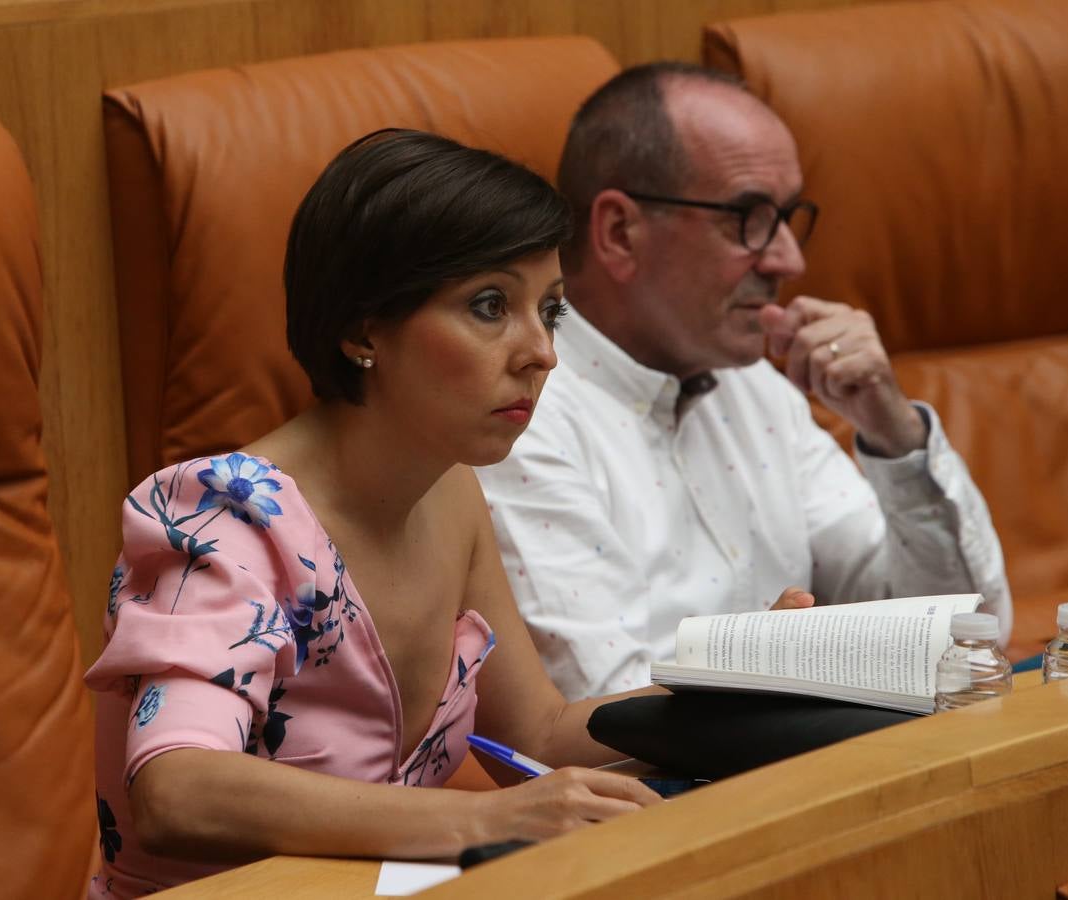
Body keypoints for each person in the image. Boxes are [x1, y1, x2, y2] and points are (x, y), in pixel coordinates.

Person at [84, 129, 663, 899]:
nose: (541, 352)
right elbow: (177, 787)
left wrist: (729, 690)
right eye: (491, 306)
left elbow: (541, 735)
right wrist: (485, 823)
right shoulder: (227, 513)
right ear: (363, 331)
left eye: (549, 310)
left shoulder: (449, 490)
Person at [476, 63, 1013, 701]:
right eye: (749, 217)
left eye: (789, 217)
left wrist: (894, 433)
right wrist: (789, 660)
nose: (790, 259)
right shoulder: (520, 413)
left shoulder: (754, 386)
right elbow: (601, 712)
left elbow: (967, 637)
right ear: (621, 233)